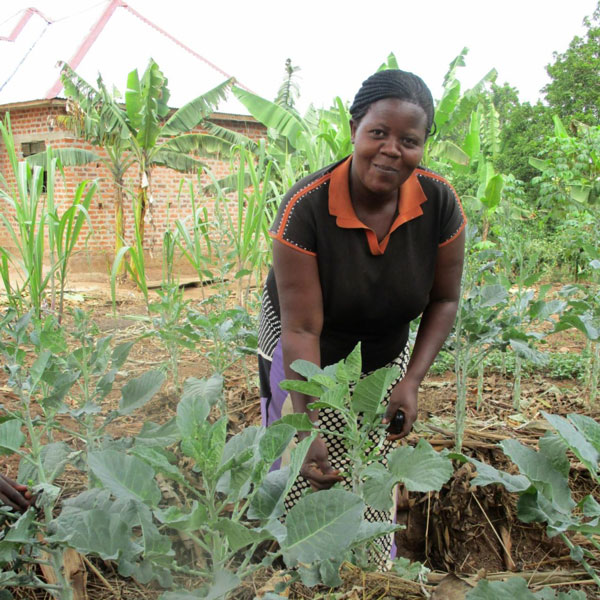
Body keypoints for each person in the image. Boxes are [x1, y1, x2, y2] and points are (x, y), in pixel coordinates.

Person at [257, 69, 466, 559]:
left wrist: (410, 380)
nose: (392, 149)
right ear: (354, 129)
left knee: (369, 452)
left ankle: (370, 565)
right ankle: (296, 564)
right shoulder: (304, 210)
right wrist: (304, 426)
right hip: (305, 335)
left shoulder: (439, 203)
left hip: (382, 340)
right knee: (299, 464)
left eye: (409, 140)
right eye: (379, 133)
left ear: (423, 145)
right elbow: (302, 327)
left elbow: (444, 300)